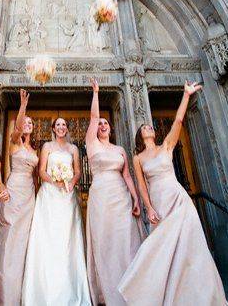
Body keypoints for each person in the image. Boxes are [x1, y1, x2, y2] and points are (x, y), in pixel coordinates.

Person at [118, 81, 228, 306]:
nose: (148, 128)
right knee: (160, 247)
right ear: (140, 136)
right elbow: (141, 185)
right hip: (159, 202)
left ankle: (199, 295)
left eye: (150, 127)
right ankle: (157, 293)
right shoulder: (138, 158)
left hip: (177, 198)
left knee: (191, 245)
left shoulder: (167, 146)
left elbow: (178, 120)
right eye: (144, 128)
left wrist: (186, 95)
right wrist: (148, 207)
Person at [84, 78, 143, 306]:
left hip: (121, 196)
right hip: (101, 195)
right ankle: (107, 292)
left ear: (111, 128)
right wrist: (96, 92)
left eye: (106, 123)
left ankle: (131, 288)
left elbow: (127, 175)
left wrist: (135, 197)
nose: (102, 125)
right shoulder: (92, 144)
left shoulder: (120, 150)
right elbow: (92, 117)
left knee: (125, 240)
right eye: (99, 124)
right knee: (105, 240)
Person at [22, 117, 91, 306]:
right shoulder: (47, 147)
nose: (61, 127)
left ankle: (70, 291)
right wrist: (55, 181)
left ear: (67, 129)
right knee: (48, 239)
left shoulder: (73, 149)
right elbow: (41, 171)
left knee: (67, 241)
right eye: (58, 125)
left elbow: (77, 171)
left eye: (64, 125)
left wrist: (71, 182)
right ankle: (43, 293)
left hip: (67, 198)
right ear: (53, 129)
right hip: (49, 196)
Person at [0, 89, 39, 305]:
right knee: (9, 237)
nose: (27, 124)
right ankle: (3, 293)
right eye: (24, 122)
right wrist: (22, 106)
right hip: (13, 190)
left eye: (30, 122)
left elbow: (37, 175)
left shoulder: (35, 150)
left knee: (24, 239)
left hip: (29, 194)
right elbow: (17, 128)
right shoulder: (14, 142)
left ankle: (22, 290)